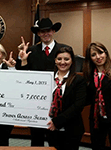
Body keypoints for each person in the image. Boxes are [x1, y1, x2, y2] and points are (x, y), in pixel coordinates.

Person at [15, 17, 72, 146]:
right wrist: (21, 59)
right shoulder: (30, 51)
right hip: (36, 102)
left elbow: (71, 72)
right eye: (42, 31)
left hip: (59, 100)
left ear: (53, 31)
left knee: (56, 139)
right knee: (36, 139)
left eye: (48, 31)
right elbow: (22, 76)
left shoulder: (65, 50)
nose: (45, 34)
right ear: (38, 33)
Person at [83, 42, 111, 150]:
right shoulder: (88, 75)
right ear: (90, 58)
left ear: (106, 53)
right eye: (94, 55)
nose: (98, 57)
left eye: (100, 52)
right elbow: (87, 99)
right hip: (96, 121)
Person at [46, 47, 86, 150]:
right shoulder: (47, 79)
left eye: (66, 59)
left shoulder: (79, 80)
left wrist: (57, 121)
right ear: (55, 60)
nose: (62, 62)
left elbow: (78, 106)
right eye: (59, 59)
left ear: (72, 61)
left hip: (72, 129)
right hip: (51, 128)